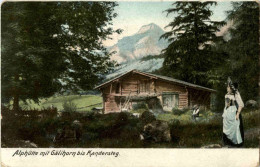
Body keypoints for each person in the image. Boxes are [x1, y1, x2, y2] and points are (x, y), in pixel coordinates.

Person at [222, 77, 244, 147]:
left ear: (232, 88)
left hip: (233, 112)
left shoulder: (236, 94)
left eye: (228, 87)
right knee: (226, 128)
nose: (227, 88)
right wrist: (225, 113)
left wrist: (237, 114)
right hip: (227, 113)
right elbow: (226, 105)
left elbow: (241, 105)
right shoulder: (226, 95)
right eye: (227, 87)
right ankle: (228, 143)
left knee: (234, 127)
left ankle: (235, 143)